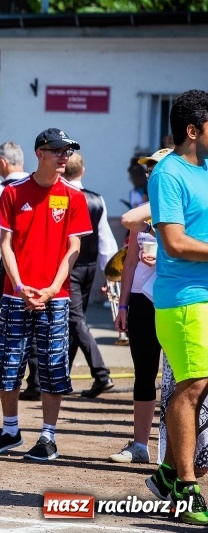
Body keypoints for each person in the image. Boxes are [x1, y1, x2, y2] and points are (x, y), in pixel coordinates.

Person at [0, 128, 92, 462]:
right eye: (58, 150)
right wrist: (18, 286)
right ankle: (9, 429)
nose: (65, 156)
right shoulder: (13, 193)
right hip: (16, 295)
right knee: (8, 364)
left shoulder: (74, 197)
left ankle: (48, 437)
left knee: (52, 367)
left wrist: (50, 289)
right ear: (40, 153)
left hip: (56, 296)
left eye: (68, 151)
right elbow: (4, 244)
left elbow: (73, 247)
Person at [145, 89, 208, 525]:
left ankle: (169, 473)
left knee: (202, 387)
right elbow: (174, 241)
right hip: (185, 298)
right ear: (193, 130)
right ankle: (185, 487)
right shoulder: (168, 173)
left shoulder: (205, 169)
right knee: (191, 387)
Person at [110, 148, 170, 465]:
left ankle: (174, 450)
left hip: (175, 300)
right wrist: (122, 306)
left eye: (156, 170)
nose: (150, 176)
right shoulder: (141, 213)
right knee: (144, 373)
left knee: (180, 380)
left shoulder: (186, 208)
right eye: (148, 172)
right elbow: (130, 262)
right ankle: (139, 445)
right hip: (142, 300)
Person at [63, 153, 117, 397]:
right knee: (77, 320)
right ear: (83, 170)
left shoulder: (62, 197)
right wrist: (110, 276)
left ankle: (101, 373)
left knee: (75, 321)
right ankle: (64, 374)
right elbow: (106, 240)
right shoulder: (97, 199)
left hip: (69, 266)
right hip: (90, 267)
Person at [0, 141, 35, 401]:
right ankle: (35, 382)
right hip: (29, 267)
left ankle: (0, 378)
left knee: (6, 330)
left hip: (7, 268)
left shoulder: (2, 189)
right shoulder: (32, 186)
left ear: (3, 163)